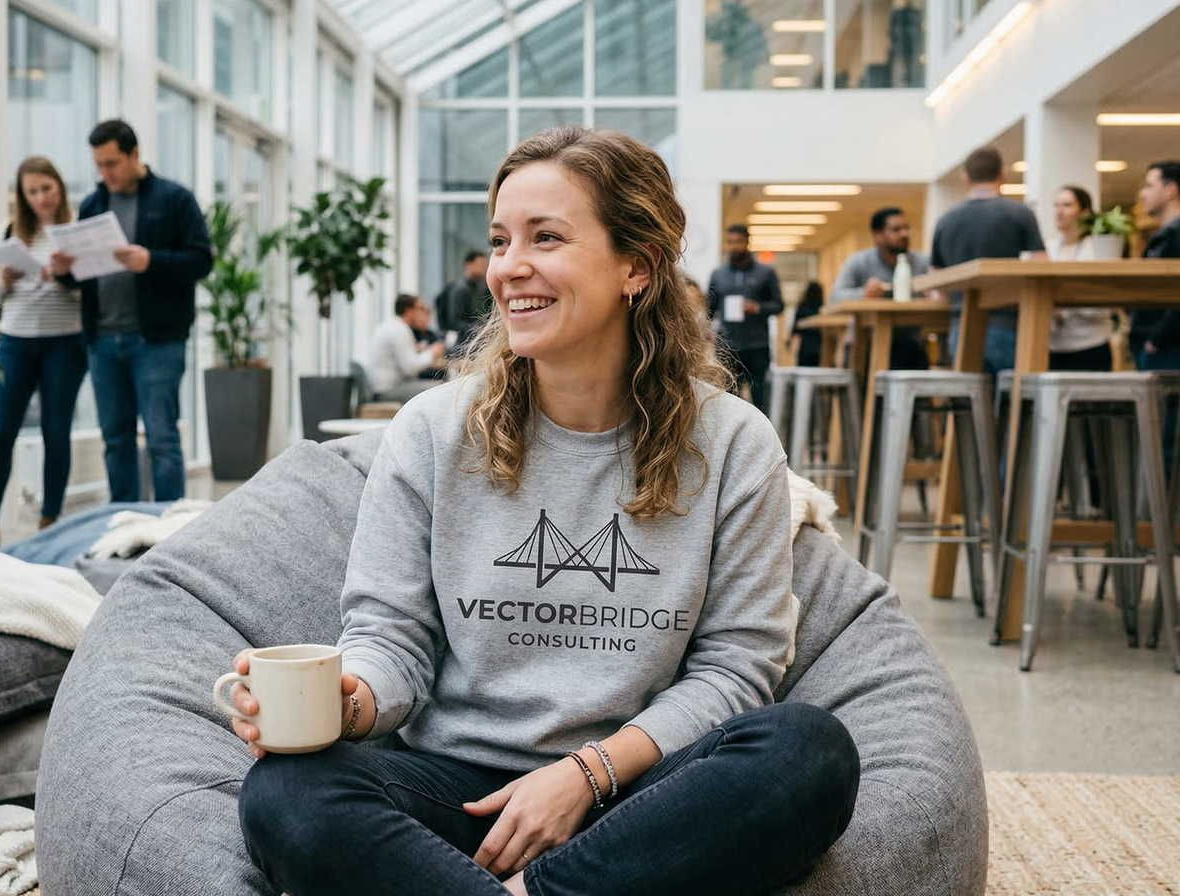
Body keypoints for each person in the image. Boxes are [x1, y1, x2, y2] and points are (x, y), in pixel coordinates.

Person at [230, 127, 859, 896]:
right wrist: (349, 701)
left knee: (808, 751)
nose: (508, 268)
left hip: (644, 795)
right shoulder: (431, 431)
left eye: (546, 237)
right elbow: (390, 638)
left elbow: (738, 669)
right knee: (285, 792)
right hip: (460, 792)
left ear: (638, 266)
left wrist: (585, 775)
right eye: (500, 240)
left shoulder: (733, 442)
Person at [50, 119, 212, 503]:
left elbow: (201, 261)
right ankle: (120, 521)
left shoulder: (175, 199)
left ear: (134, 155)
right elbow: (85, 276)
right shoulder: (93, 204)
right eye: (99, 166)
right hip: (103, 340)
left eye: (112, 164)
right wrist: (64, 273)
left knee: (161, 436)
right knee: (115, 439)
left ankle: (172, 526)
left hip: (156, 340)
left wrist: (150, 261)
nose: (105, 174)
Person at [0, 157, 87, 548]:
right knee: (0, 432)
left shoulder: (77, 230)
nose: (41, 197)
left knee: (56, 431)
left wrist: (65, 276)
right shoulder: (13, 231)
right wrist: (3, 279)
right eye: (32, 191)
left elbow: (91, 291)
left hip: (64, 342)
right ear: (22, 195)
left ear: (60, 188)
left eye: (47, 188)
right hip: (15, 340)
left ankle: (50, 520)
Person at [930, 146, 1047, 374]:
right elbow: (1042, 266)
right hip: (1009, 324)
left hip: (960, 326)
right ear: (1002, 174)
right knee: (1010, 401)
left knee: (971, 401)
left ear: (965, 177)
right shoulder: (1019, 214)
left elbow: (936, 280)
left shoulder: (946, 220)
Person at [832, 206, 930, 369]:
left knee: (913, 355)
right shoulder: (859, 261)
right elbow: (835, 297)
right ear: (877, 236)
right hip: (866, 341)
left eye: (906, 228)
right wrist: (864, 293)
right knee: (859, 361)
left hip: (910, 341)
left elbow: (938, 293)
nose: (904, 234)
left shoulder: (922, 263)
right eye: (896, 230)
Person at [707, 223, 784, 410]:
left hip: (757, 345)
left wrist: (757, 308)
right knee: (728, 400)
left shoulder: (766, 273)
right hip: (728, 346)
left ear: (747, 242)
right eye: (730, 242)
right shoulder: (718, 275)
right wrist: (707, 330)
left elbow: (779, 305)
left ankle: (762, 438)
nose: (734, 246)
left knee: (760, 398)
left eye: (738, 242)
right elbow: (710, 309)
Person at [1047, 185, 1113, 372]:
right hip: (1053, 346)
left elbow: (1104, 301)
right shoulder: (1048, 248)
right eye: (1056, 205)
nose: (1059, 212)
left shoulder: (1098, 248)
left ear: (1084, 212)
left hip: (1090, 344)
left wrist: (1064, 307)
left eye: (1067, 205)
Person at [1130, 161, 1180, 370]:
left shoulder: (1176, 235)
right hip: (1154, 344)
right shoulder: (1163, 235)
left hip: (1167, 348)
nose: (1142, 194)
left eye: (1150, 186)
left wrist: (1158, 339)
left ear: (1170, 190)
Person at [367, 293, 448, 400]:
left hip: (384, 388)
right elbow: (410, 369)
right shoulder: (400, 330)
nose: (424, 313)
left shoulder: (393, 326)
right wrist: (432, 352)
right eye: (420, 308)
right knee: (441, 388)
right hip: (387, 391)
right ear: (409, 311)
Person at [437, 249, 492, 354]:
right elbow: (453, 321)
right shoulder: (459, 289)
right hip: (462, 344)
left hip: (476, 341)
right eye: (480, 264)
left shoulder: (482, 288)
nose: (484, 268)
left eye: (485, 264)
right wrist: (478, 328)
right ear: (468, 265)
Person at [790, 280, 825, 367]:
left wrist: (790, 341)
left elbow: (795, 328)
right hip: (819, 345)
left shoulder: (802, 307)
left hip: (805, 346)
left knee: (803, 369)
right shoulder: (822, 308)